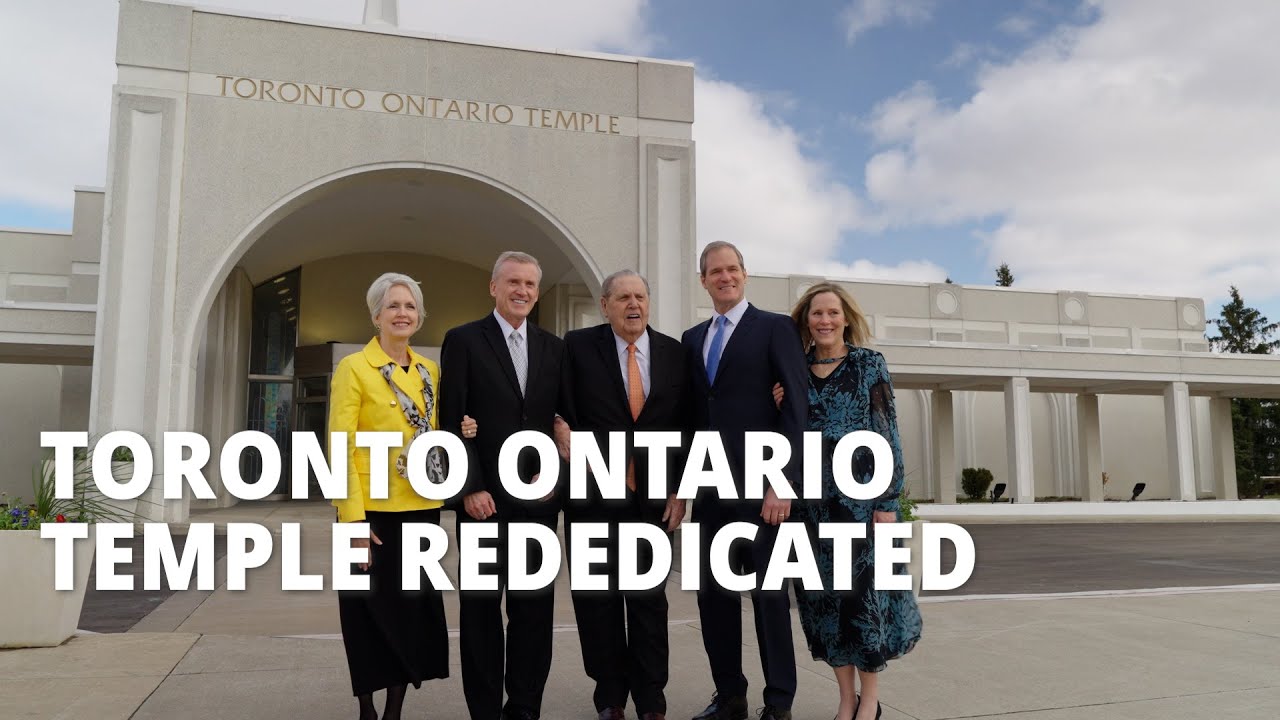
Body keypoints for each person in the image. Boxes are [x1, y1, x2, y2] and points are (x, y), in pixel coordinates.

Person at [783, 282, 922, 720]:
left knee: (862, 601)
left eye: (832, 312)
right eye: (817, 313)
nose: (825, 320)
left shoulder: (868, 364)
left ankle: (871, 701)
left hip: (860, 504)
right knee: (823, 604)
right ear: (806, 321)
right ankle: (846, 699)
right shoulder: (794, 370)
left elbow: (887, 430)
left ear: (846, 319)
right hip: (810, 508)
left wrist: (888, 500)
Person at [439, 251, 569, 720]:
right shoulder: (463, 340)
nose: (522, 291)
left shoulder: (554, 348)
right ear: (494, 287)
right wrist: (469, 486)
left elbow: (565, 422)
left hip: (537, 503)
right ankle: (485, 710)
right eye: (513, 282)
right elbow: (450, 418)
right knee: (480, 613)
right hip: (483, 504)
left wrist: (553, 474)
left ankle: (525, 708)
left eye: (530, 284)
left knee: (533, 614)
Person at [681, 241, 809, 720]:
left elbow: (796, 408)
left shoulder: (776, 328)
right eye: (715, 271)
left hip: (762, 494)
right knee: (713, 600)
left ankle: (779, 702)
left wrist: (782, 483)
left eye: (732, 268)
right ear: (703, 280)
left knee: (769, 600)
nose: (725, 277)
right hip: (710, 492)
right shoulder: (692, 338)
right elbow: (693, 417)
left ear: (744, 273)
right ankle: (729, 696)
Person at [560, 270, 690, 720]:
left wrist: (682, 488)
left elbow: (690, 425)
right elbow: (556, 401)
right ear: (605, 305)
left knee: (649, 603)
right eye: (622, 298)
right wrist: (557, 425)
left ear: (648, 303)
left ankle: (651, 701)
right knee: (597, 603)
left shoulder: (675, 353)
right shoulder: (577, 347)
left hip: (653, 502)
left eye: (639, 297)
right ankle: (610, 698)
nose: (633, 305)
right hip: (592, 495)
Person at [330, 272, 451, 720]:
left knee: (410, 617)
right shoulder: (353, 368)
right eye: (393, 306)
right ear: (376, 315)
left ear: (420, 317)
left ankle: (394, 710)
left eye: (410, 306)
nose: (403, 313)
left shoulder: (428, 371)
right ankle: (366, 707)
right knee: (363, 614)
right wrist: (353, 523)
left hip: (420, 509)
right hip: (367, 512)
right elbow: (339, 445)